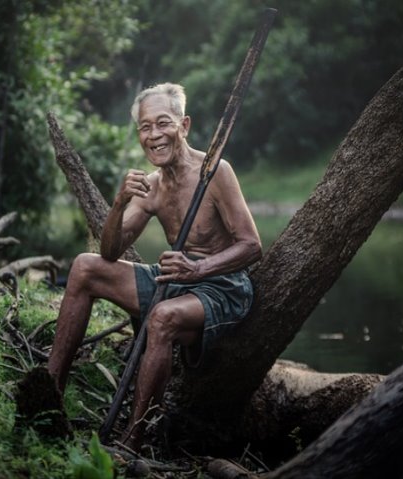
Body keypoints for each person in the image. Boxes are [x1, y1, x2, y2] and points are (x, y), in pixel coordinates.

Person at [47, 82, 262, 450]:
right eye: (145, 127)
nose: (154, 135)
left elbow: (252, 246)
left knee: (162, 318)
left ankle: (134, 439)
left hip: (222, 287)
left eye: (163, 123)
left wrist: (198, 270)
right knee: (85, 267)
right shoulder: (152, 186)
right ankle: (48, 398)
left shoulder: (215, 171)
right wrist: (118, 203)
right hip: (174, 281)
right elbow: (111, 251)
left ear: (185, 125)